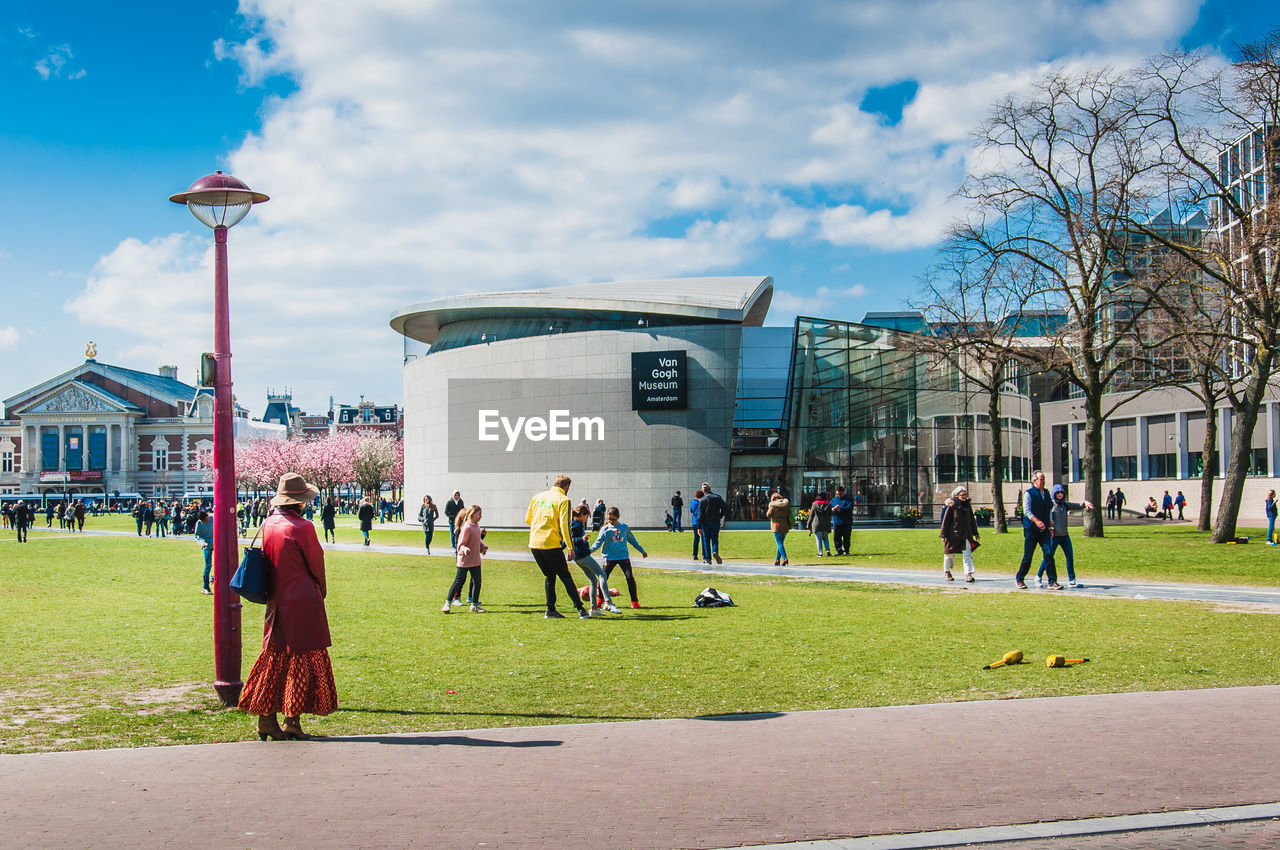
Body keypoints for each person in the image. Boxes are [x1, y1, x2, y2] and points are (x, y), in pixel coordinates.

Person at [237, 473, 337, 741]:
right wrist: (321, 590)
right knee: (302, 660)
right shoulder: (302, 527)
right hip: (302, 600)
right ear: (300, 501)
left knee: (275, 658)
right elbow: (316, 563)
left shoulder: (269, 523)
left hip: (277, 600)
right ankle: (292, 719)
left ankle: (266, 718)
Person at [526, 474, 589, 619]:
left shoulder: (537, 497)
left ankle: (550, 609)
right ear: (566, 487)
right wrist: (570, 546)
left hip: (535, 543)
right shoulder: (564, 500)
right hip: (551, 543)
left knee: (549, 576)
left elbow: (528, 519)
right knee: (565, 576)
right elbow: (565, 525)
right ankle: (580, 609)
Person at [591, 506, 648, 608]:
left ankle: (634, 602)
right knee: (603, 578)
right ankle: (600, 600)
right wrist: (589, 551)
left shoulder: (624, 527)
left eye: (613, 519)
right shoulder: (605, 529)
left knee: (629, 577)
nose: (611, 521)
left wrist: (642, 550)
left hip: (623, 557)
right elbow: (598, 543)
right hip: (609, 558)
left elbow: (632, 540)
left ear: (618, 517)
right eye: (609, 519)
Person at [1042, 485, 1093, 588]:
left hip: (1065, 536)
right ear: (1054, 494)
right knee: (1048, 557)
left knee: (1070, 557)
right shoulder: (1052, 505)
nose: (1060, 494)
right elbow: (1047, 517)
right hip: (1055, 536)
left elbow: (1077, 505)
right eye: (1058, 493)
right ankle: (1039, 576)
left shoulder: (1065, 505)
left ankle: (1072, 580)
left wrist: (1085, 503)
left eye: (1061, 493)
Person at [571, 505, 618, 615]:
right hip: (583, 556)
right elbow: (570, 539)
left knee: (593, 580)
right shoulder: (576, 525)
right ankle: (608, 602)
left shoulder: (576, 524)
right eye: (586, 517)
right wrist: (581, 539)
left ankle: (594, 609)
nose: (586, 519)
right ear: (582, 515)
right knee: (602, 575)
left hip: (579, 557)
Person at [1015, 470, 1057, 589]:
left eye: (1044, 479)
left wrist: (1051, 526)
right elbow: (1027, 511)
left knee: (1048, 554)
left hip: (1044, 530)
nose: (1043, 481)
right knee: (1028, 556)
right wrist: (1036, 521)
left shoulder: (1047, 494)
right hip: (1031, 530)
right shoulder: (1029, 493)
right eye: (1041, 479)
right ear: (1035, 480)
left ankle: (1052, 581)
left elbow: (1048, 510)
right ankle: (1020, 578)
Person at [443, 505, 487, 613]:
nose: (481, 516)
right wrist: (464, 549)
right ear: (472, 514)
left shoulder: (476, 526)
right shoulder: (467, 527)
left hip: (475, 560)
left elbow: (477, 540)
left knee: (477, 582)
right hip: (465, 560)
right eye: (479, 514)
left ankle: (474, 605)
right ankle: (447, 604)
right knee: (459, 581)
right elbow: (460, 544)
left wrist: (482, 547)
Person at [939, 485, 979, 582]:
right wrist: (943, 535)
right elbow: (946, 521)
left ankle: (968, 574)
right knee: (949, 554)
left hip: (966, 534)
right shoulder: (952, 506)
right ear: (957, 496)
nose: (965, 496)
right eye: (963, 495)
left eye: (966, 494)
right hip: (952, 535)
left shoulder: (967, 505)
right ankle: (947, 572)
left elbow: (971, 520)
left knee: (967, 554)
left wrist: (975, 532)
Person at [698, 482, 726, 565]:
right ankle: (715, 551)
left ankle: (708, 559)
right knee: (714, 539)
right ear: (710, 489)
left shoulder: (702, 500)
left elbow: (700, 514)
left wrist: (699, 527)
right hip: (715, 522)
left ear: (703, 491)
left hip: (706, 523)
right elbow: (725, 507)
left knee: (706, 540)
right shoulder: (717, 497)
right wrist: (720, 516)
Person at [765, 490, 791, 566]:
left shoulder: (773, 505)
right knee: (781, 543)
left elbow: (768, 515)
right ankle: (777, 560)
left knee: (779, 543)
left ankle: (785, 558)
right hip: (785, 525)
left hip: (776, 525)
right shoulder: (786, 505)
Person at [194, 510, 214, 594]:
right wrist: (201, 542)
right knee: (208, 565)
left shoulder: (213, 519)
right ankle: (205, 587)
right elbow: (197, 535)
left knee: (221, 563)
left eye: (206, 520)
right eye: (204, 521)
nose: (206, 522)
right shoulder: (199, 523)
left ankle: (213, 577)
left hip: (216, 544)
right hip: (206, 545)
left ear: (207, 516)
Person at [830, 485, 854, 556]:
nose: (839, 495)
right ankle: (839, 551)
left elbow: (850, 507)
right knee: (836, 537)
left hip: (846, 521)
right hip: (837, 521)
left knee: (846, 537)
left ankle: (846, 550)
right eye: (837, 494)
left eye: (840, 494)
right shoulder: (834, 500)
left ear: (843, 492)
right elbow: (830, 508)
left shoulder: (848, 499)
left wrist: (841, 508)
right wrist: (833, 509)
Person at [808, 491, 833, 557]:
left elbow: (811, 515)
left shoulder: (814, 504)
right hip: (826, 523)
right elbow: (831, 513)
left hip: (817, 524)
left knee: (818, 539)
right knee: (825, 538)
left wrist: (808, 523)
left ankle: (820, 553)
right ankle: (828, 550)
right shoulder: (828, 504)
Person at [689, 488, 705, 561]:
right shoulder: (703, 502)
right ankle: (704, 555)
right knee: (704, 539)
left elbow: (691, 510)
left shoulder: (693, 502)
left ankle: (695, 555)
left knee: (696, 539)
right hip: (702, 522)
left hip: (695, 522)